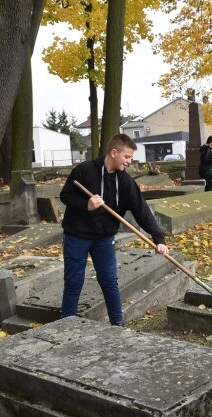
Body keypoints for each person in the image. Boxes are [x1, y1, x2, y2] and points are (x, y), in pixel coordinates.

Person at [59, 133, 169, 327]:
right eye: (127, 157)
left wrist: (159, 238)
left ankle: (118, 326)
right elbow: (65, 195)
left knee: (109, 281)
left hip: (104, 238)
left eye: (131, 158)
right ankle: (66, 325)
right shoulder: (85, 170)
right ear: (113, 152)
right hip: (77, 235)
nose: (129, 162)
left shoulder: (125, 182)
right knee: (74, 281)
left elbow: (141, 211)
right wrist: (87, 204)